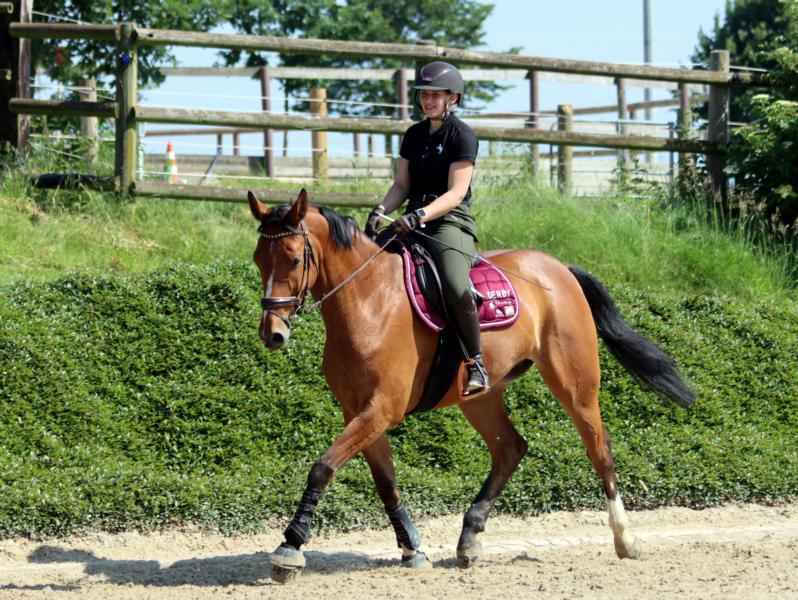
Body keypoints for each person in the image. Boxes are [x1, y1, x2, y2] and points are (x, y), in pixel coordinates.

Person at [365, 60, 489, 396]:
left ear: (453, 98)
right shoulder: (413, 135)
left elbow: (456, 193)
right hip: (410, 221)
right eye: (424, 94)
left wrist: (419, 215)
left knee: (454, 283)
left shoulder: (462, 135)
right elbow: (401, 185)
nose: (428, 100)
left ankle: (476, 362)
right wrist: (381, 209)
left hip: (449, 221)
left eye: (436, 94)